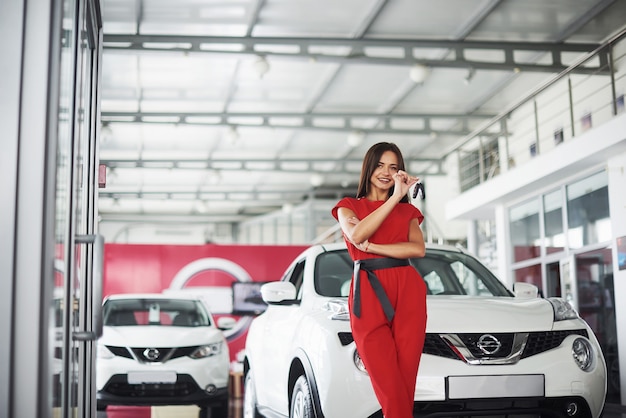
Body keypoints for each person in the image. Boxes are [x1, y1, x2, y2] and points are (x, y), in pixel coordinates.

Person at [331, 142, 427, 418]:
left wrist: (374, 248)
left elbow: (416, 249)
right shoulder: (347, 206)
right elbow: (357, 235)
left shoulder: (409, 212)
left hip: (408, 289)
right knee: (388, 382)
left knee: (405, 381)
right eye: (381, 165)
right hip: (368, 291)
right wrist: (395, 198)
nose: (386, 172)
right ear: (369, 167)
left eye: (394, 167)